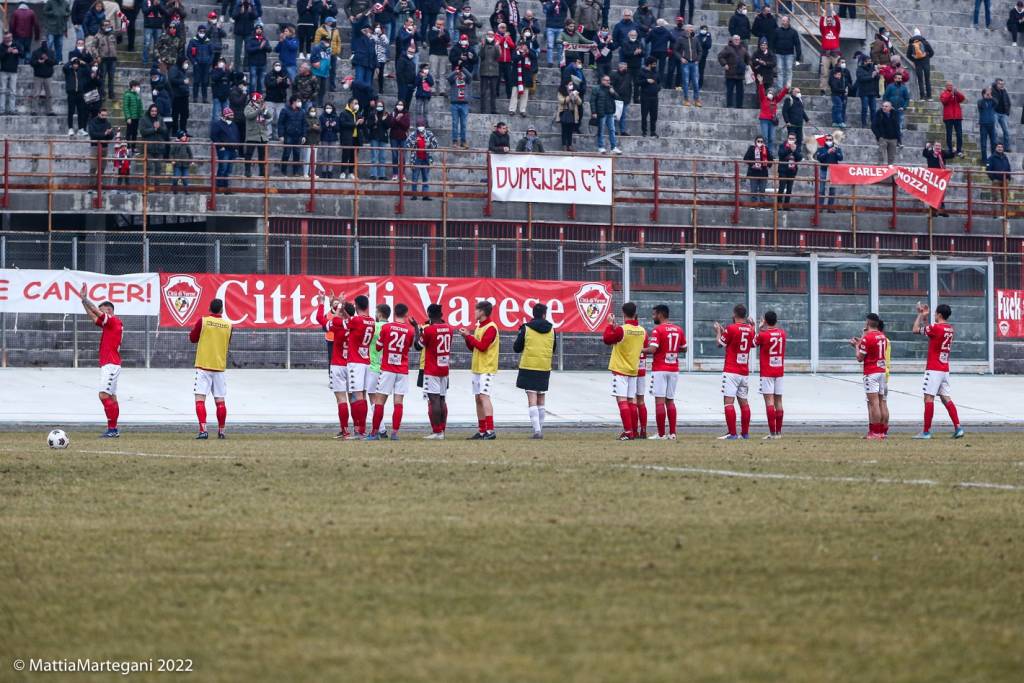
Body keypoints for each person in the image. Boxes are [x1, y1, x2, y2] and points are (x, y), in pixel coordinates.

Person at [912, 303, 964, 439]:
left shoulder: (936, 327)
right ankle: (958, 427)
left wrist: (920, 315)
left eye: (935, 313)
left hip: (934, 368)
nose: (934, 315)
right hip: (944, 368)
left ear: (939, 315)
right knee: (946, 398)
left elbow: (916, 329)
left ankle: (926, 432)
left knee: (928, 398)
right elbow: (929, 331)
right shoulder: (950, 329)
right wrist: (925, 317)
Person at [366, 303, 416, 441]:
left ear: (394, 313)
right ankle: (394, 433)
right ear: (406, 314)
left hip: (388, 369)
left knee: (379, 401)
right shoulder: (410, 330)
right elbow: (409, 346)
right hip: (402, 369)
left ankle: (375, 432)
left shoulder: (387, 327)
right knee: (398, 402)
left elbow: (377, 347)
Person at [80, 294, 123, 438]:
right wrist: (83, 302)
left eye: (102, 311)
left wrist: (86, 299)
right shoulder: (109, 323)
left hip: (111, 364)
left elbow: (96, 312)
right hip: (110, 364)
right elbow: (93, 317)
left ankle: (112, 429)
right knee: (112, 397)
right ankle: (113, 429)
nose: (99, 313)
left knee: (103, 395)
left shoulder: (113, 321)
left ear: (109, 311)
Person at [190, 298, 233, 440]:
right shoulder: (228, 325)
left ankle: (203, 430)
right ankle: (222, 431)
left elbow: (193, 338)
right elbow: (228, 342)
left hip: (204, 365)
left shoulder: (204, 321)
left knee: (200, 399)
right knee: (220, 401)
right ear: (222, 310)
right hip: (219, 367)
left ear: (209, 308)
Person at [603, 301, 646, 440]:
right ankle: (633, 430)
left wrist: (610, 324)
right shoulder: (642, 330)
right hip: (633, 369)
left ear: (623, 313)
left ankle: (628, 432)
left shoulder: (622, 329)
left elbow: (607, 339)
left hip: (621, 369)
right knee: (631, 401)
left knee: (621, 401)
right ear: (635, 313)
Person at [643, 305, 686, 441]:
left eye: (654, 314)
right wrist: (671, 350)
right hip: (674, 369)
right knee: (670, 401)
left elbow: (653, 349)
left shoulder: (658, 330)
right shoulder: (678, 329)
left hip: (660, 369)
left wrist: (640, 349)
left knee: (659, 402)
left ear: (661, 314)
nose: (653, 317)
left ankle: (661, 434)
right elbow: (684, 349)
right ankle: (672, 433)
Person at [458, 301, 500, 440]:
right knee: (478, 399)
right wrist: (467, 338)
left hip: (487, 368)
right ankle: (482, 431)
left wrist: (469, 336)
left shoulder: (491, 327)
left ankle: (490, 430)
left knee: (484, 397)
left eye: (476, 310)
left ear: (482, 312)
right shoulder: (479, 327)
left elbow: (482, 346)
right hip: (477, 368)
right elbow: (474, 348)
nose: (474, 312)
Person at [514, 302, 556, 439]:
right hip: (544, 366)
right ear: (544, 314)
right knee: (541, 398)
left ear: (533, 314)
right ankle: (540, 429)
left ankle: (537, 431)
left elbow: (517, 348)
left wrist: (520, 333)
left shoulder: (526, 328)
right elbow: (553, 349)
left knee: (532, 398)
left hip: (529, 366)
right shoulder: (552, 330)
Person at [715, 304, 755, 440]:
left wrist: (718, 331)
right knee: (744, 403)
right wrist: (754, 327)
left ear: (735, 314)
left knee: (728, 402)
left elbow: (720, 343)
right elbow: (753, 344)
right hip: (744, 371)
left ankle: (732, 433)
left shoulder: (731, 328)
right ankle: (745, 433)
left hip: (731, 370)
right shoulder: (750, 329)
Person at [316, 295, 353, 439]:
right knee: (354, 398)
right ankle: (359, 429)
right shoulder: (359, 324)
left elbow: (320, 319)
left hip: (338, 365)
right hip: (353, 365)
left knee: (341, 399)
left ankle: (345, 430)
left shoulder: (336, 325)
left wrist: (321, 303)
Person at [418, 303, 452, 439]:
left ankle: (437, 431)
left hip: (431, 369)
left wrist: (417, 330)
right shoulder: (449, 328)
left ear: (429, 315)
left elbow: (418, 345)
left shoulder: (429, 330)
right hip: (444, 369)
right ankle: (442, 430)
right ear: (441, 315)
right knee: (442, 399)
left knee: (434, 400)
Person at [852, 313, 889, 440]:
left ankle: (875, 432)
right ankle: (883, 431)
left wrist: (856, 346)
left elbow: (859, 358)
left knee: (873, 404)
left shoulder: (868, 338)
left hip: (871, 372)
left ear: (867, 323)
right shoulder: (882, 336)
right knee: (882, 402)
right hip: (882, 372)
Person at [755, 310, 785, 439]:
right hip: (779, 371)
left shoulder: (763, 335)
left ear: (765, 321)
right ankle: (778, 433)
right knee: (779, 401)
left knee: (769, 401)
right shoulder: (782, 334)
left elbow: (752, 344)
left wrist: (760, 328)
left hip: (767, 371)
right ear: (776, 320)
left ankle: (772, 433)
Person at [405, 120, 437, 199]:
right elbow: (407, 145)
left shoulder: (429, 134)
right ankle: (414, 195)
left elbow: (436, 145)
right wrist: (414, 142)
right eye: (419, 125)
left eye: (422, 125)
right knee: (415, 177)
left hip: (426, 159)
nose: (421, 127)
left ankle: (425, 195)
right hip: (416, 159)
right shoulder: (413, 135)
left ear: (425, 126)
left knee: (425, 177)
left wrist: (429, 144)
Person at [210, 107, 240, 190]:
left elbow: (237, 136)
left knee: (229, 170)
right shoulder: (218, 124)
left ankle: (225, 187)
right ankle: (219, 186)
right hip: (224, 150)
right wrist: (220, 146)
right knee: (223, 168)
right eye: (230, 115)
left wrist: (236, 147)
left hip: (232, 149)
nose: (232, 116)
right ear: (226, 115)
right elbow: (213, 135)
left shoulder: (233, 125)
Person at [591, 73, 621, 153]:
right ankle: (601, 147)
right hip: (601, 113)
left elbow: (618, 98)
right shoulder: (596, 89)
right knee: (601, 130)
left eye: (609, 80)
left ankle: (613, 147)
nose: (608, 82)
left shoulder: (610, 88)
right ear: (602, 81)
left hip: (610, 112)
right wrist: (593, 112)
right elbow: (592, 101)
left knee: (612, 130)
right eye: (606, 80)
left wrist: (613, 92)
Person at [923, 141, 954, 216]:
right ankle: (934, 211)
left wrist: (953, 151)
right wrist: (926, 147)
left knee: (941, 193)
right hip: (932, 176)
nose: (938, 147)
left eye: (939, 146)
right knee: (933, 193)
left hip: (941, 177)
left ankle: (942, 210)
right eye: (936, 146)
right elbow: (924, 154)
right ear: (934, 146)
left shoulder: (942, 153)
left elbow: (950, 156)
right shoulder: (930, 152)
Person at [718, 34, 748, 110]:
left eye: (738, 39)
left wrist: (748, 65)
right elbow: (720, 56)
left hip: (740, 74)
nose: (737, 41)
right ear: (732, 40)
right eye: (735, 39)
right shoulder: (728, 48)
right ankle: (729, 105)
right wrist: (724, 64)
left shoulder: (743, 49)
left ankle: (739, 105)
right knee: (730, 90)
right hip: (730, 73)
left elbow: (748, 59)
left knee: (740, 91)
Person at [139, 103, 168, 182]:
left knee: (158, 167)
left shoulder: (160, 119)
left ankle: (157, 186)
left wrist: (159, 128)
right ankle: (147, 186)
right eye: (152, 111)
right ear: (149, 111)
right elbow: (143, 131)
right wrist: (154, 129)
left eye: (155, 111)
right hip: (148, 147)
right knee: (149, 167)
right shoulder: (144, 119)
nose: (154, 113)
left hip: (159, 147)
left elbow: (165, 131)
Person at [674, 24, 702, 106]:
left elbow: (700, 50)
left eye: (692, 28)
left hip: (694, 63)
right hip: (685, 63)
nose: (692, 29)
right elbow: (675, 50)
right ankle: (686, 100)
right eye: (690, 28)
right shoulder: (680, 39)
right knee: (685, 82)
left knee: (696, 82)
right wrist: (681, 58)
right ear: (685, 29)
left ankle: (696, 100)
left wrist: (698, 59)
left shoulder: (695, 39)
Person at [771, 16, 801, 89]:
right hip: (779, 54)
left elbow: (797, 44)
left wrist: (798, 56)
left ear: (788, 22)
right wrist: (772, 52)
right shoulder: (777, 31)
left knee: (788, 71)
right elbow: (772, 42)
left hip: (789, 54)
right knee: (780, 70)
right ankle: (780, 88)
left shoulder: (793, 32)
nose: (782, 22)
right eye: (782, 20)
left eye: (784, 21)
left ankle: (787, 88)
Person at [815, 131, 842, 210]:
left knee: (832, 190)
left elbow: (841, 158)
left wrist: (836, 152)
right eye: (827, 140)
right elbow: (819, 158)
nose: (829, 141)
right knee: (822, 189)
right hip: (824, 170)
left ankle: (830, 208)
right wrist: (827, 152)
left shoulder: (837, 148)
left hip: (834, 171)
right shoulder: (821, 149)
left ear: (833, 140)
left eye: (830, 140)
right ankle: (820, 207)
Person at [338, 96, 364, 179]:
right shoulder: (344, 113)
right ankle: (342, 171)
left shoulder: (358, 113)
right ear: (350, 104)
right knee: (346, 155)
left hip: (356, 138)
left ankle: (351, 172)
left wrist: (361, 122)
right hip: (347, 138)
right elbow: (343, 124)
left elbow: (360, 126)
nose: (356, 105)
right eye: (355, 103)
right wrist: (355, 124)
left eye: (357, 103)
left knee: (354, 156)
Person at [756, 74, 787, 143]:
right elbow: (761, 91)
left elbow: (781, 95)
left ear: (774, 95)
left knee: (772, 138)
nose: (770, 94)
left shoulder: (775, 100)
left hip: (772, 121)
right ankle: (765, 152)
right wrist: (761, 83)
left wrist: (786, 88)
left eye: (772, 93)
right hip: (764, 120)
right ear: (767, 93)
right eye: (769, 92)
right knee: (765, 137)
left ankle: (770, 152)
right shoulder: (763, 99)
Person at [938, 81, 965, 157]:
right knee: (949, 134)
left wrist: (957, 93)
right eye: (949, 85)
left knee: (959, 134)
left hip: (957, 117)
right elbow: (944, 101)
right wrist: (951, 94)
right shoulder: (944, 93)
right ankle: (950, 150)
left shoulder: (956, 94)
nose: (950, 87)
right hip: (948, 117)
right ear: (946, 86)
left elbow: (962, 98)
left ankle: (959, 150)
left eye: (951, 85)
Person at [744, 135, 773, 205]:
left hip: (763, 172)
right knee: (753, 190)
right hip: (753, 172)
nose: (760, 142)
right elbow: (745, 158)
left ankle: (762, 205)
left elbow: (771, 160)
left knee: (762, 190)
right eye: (758, 141)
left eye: (761, 141)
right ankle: (753, 204)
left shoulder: (766, 148)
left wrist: (767, 163)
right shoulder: (752, 148)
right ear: (755, 142)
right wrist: (752, 165)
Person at [29, 43, 56, 117]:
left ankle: (50, 110)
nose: (44, 44)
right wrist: (38, 62)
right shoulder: (35, 52)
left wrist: (47, 59)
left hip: (48, 76)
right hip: (38, 76)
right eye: (42, 43)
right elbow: (31, 63)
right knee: (36, 94)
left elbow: (54, 62)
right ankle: (34, 110)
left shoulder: (51, 52)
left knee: (49, 94)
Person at [905, 28, 934, 100]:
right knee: (927, 79)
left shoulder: (911, 44)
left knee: (920, 80)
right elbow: (932, 52)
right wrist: (927, 57)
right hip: (926, 63)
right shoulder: (925, 42)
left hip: (918, 63)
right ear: (920, 34)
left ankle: (922, 97)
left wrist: (914, 60)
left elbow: (908, 55)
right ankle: (929, 96)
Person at [882, 73, 909, 147]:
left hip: (900, 111)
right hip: (890, 111)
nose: (900, 79)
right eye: (898, 78)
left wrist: (904, 107)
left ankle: (899, 142)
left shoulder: (904, 88)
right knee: (889, 126)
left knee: (899, 127)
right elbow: (885, 97)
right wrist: (889, 106)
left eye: (901, 78)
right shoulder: (890, 87)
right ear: (894, 79)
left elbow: (907, 98)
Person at [818, 5, 841, 94]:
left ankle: (837, 89)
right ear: (826, 22)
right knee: (824, 72)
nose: (829, 22)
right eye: (827, 21)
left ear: (832, 21)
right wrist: (823, 15)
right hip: (825, 54)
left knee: (837, 72)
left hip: (835, 53)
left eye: (830, 20)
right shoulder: (824, 29)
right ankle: (823, 90)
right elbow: (820, 24)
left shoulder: (836, 29)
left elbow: (838, 23)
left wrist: (834, 15)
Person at [448, 64, 471, 148]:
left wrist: (463, 68)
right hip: (454, 103)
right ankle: (454, 141)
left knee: (464, 124)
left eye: (459, 69)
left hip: (464, 104)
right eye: (457, 69)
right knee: (455, 123)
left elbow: (470, 76)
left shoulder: (466, 79)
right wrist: (455, 71)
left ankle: (463, 141)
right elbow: (448, 77)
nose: (459, 70)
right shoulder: (453, 79)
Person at [508, 42, 534, 116]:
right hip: (516, 76)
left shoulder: (530, 53)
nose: (523, 47)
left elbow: (534, 57)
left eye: (524, 45)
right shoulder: (515, 52)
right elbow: (514, 59)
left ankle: (522, 110)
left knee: (525, 94)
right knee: (514, 93)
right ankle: (512, 109)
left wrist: (527, 52)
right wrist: (522, 55)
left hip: (526, 76)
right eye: (521, 45)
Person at [776, 132, 801, 209]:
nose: (791, 140)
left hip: (792, 170)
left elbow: (799, 158)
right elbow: (781, 154)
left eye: (792, 139)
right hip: (783, 170)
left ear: (795, 139)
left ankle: (786, 206)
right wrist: (790, 149)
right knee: (781, 187)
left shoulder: (797, 147)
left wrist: (794, 151)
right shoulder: (783, 145)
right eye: (790, 138)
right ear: (787, 139)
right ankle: (779, 205)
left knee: (789, 189)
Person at [43, 0, 70, 66]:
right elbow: (44, 12)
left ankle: (59, 61)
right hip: (51, 28)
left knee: (59, 45)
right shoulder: (50, 2)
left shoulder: (65, 3)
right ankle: (47, 59)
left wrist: (64, 14)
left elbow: (69, 13)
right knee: (50, 44)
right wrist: (53, 12)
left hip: (61, 28)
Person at [872, 101, 900, 165]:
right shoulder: (879, 113)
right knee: (881, 156)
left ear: (890, 107)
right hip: (883, 138)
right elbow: (873, 126)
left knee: (891, 157)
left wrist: (898, 139)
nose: (884, 107)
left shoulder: (895, 114)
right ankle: (879, 169)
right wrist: (879, 136)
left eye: (886, 106)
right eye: (883, 106)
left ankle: (890, 172)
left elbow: (897, 127)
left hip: (893, 139)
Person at [556, 83, 582, 151]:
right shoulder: (561, 92)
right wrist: (569, 96)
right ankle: (564, 145)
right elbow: (562, 101)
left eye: (571, 84)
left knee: (570, 130)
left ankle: (570, 145)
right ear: (566, 85)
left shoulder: (574, 92)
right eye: (569, 84)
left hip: (572, 113)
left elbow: (579, 102)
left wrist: (575, 95)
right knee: (564, 130)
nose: (571, 86)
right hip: (564, 112)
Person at [543, 0, 569, 67]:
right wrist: (555, 3)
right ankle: (550, 62)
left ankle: (560, 62)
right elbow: (548, 11)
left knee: (560, 46)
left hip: (560, 27)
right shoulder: (548, 3)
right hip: (550, 27)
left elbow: (566, 8)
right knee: (550, 46)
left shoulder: (562, 3)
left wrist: (561, 1)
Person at [638, 57, 660, 137]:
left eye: (655, 64)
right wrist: (646, 81)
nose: (655, 65)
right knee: (644, 115)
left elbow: (659, 82)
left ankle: (653, 131)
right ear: (649, 64)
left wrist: (657, 88)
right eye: (654, 64)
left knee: (654, 115)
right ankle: (644, 131)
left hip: (654, 97)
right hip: (645, 96)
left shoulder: (656, 72)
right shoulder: (642, 72)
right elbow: (638, 82)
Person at [781, 87, 808, 152]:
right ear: (793, 92)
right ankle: (789, 152)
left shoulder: (800, 100)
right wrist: (787, 121)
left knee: (799, 139)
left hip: (799, 124)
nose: (799, 93)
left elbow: (802, 111)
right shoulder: (789, 99)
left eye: (799, 92)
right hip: (791, 124)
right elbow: (784, 111)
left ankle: (798, 153)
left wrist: (807, 119)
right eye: (797, 92)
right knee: (791, 140)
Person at [856, 56, 879, 128]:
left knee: (873, 109)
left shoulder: (872, 68)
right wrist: (871, 76)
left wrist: (877, 73)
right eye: (868, 61)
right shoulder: (859, 69)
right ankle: (864, 124)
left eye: (870, 61)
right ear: (864, 62)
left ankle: (874, 124)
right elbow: (861, 79)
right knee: (865, 108)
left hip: (872, 92)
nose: (870, 62)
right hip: (864, 92)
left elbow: (876, 79)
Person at [0, 33, 21, 115]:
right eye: (5, 38)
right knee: (2, 91)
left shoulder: (16, 45)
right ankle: (1, 109)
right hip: (3, 71)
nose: (7, 39)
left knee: (13, 91)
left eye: (9, 37)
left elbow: (22, 54)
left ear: (11, 37)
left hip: (13, 71)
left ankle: (12, 110)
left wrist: (17, 52)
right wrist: (6, 52)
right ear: (4, 38)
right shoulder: (1, 46)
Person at [828, 59, 852, 128]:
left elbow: (850, 81)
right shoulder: (833, 71)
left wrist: (848, 88)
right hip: (837, 94)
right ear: (838, 63)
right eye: (842, 62)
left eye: (844, 62)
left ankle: (840, 122)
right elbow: (832, 84)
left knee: (842, 108)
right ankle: (838, 121)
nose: (843, 63)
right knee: (838, 107)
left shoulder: (846, 71)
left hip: (843, 94)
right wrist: (843, 90)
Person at [389, 100, 410, 180]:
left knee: (403, 157)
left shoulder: (406, 114)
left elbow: (406, 126)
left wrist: (399, 120)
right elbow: (390, 124)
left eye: (401, 104)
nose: (400, 106)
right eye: (398, 104)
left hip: (403, 138)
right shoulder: (393, 113)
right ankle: (395, 174)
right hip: (393, 138)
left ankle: (402, 174)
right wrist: (396, 119)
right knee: (394, 156)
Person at [986, 142, 1011, 206]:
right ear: (996, 148)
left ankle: (1004, 214)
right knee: (995, 197)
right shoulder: (991, 158)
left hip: (1005, 180)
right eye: (998, 147)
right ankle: (995, 214)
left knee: (1005, 198)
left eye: (1001, 147)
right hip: (996, 180)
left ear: (1003, 148)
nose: (1000, 148)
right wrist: (993, 179)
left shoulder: (1005, 157)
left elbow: (1008, 167)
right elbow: (988, 169)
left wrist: (1008, 177)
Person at [992, 78, 1013, 152]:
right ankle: (995, 147)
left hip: (1003, 114)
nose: (1002, 85)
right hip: (995, 113)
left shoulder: (1004, 91)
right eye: (1000, 84)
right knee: (995, 130)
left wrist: (1007, 113)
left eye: (1003, 84)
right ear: (996, 84)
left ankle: (1007, 148)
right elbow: (994, 101)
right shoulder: (993, 91)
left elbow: (1008, 102)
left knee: (1006, 131)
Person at [978, 87, 998, 164]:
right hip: (983, 125)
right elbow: (980, 105)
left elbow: (997, 102)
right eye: (987, 93)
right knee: (983, 143)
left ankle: (993, 159)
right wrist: (984, 98)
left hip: (991, 124)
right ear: (983, 94)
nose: (989, 94)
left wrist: (991, 97)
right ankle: (984, 160)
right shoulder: (980, 101)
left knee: (993, 142)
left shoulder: (992, 101)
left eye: (990, 93)